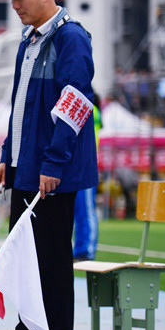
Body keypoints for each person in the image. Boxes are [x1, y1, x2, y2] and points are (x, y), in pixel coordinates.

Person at [0, 0, 98, 330]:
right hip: (24, 165)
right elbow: (19, 105)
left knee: (51, 254)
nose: (14, 3)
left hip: (54, 170)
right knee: (22, 256)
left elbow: (77, 103)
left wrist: (53, 163)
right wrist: (7, 155)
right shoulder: (28, 41)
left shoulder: (72, 39)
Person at [73, 93, 102, 261]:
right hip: (78, 166)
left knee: (86, 209)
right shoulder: (93, 111)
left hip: (87, 166)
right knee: (78, 210)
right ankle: (80, 249)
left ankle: (87, 250)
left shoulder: (93, 111)